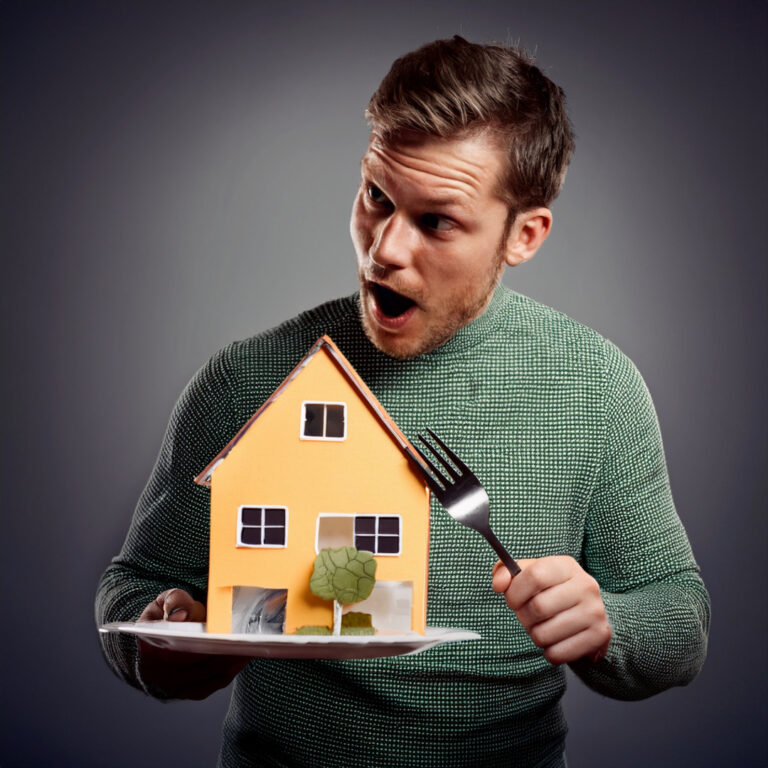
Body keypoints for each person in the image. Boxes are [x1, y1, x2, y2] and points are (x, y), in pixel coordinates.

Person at [96, 36, 710, 767]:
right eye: (376, 198)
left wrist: (610, 624)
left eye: (436, 221)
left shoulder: (596, 388)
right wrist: (161, 639)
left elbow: (680, 618)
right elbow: (133, 584)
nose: (383, 249)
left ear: (525, 235)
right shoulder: (250, 377)